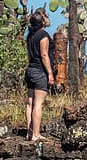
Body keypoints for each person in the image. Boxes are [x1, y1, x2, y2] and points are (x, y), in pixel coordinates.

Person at [24, 12, 54, 141]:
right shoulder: (43, 36)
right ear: (42, 22)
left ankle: (29, 133)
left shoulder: (30, 35)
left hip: (30, 70)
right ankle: (36, 134)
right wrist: (50, 73)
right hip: (39, 71)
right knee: (38, 104)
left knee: (30, 103)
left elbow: (29, 55)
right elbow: (44, 55)